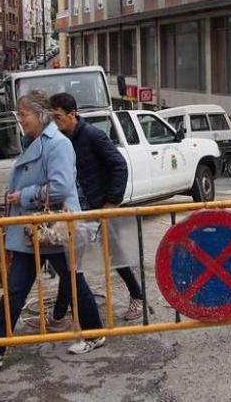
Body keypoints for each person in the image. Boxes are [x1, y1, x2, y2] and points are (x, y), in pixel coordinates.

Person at [0, 90, 105, 369]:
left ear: (40, 115)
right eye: (19, 114)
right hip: (34, 230)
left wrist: (24, 196)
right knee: (17, 287)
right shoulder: (37, 141)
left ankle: (94, 332)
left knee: (71, 281)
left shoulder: (58, 144)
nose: (20, 120)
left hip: (51, 229)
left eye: (24, 114)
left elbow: (62, 187)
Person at [49, 92, 144, 327]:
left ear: (73, 114)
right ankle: (59, 314)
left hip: (99, 207)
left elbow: (119, 166)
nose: (55, 121)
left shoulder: (92, 135)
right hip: (76, 211)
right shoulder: (61, 139)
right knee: (71, 263)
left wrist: (111, 202)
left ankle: (137, 298)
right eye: (53, 117)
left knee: (116, 256)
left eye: (59, 117)